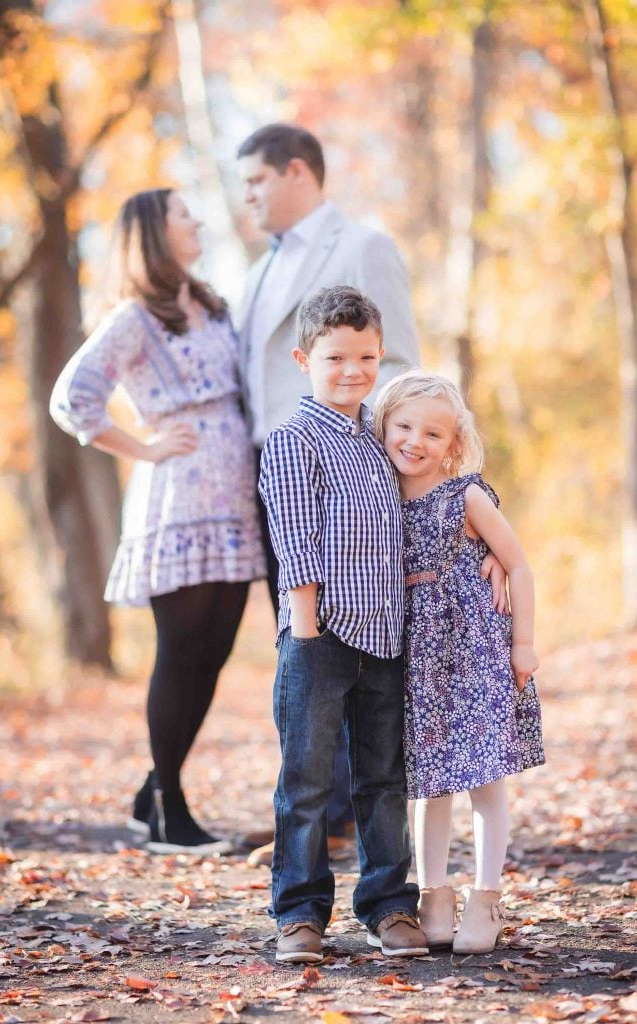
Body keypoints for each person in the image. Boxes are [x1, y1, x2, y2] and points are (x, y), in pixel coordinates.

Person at [50, 188, 266, 855]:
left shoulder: (211, 303)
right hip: (179, 501)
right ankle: (171, 810)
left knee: (215, 652)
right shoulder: (134, 318)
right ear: (152, 231)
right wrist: (142, 446)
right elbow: (72, 398)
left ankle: (152, 793)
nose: (197, 219)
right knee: (181, 652)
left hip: (233, 501)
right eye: (183, 214)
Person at [237, 122, 420, 851]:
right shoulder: (256, 272)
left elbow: (400, 357)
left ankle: (341, 815)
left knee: (356, 634)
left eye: (255, 179)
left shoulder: (362, 247)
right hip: (279, 472)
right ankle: (314, 802)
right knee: (301, 640)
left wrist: (393, 466)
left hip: (348, 470)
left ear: (295, 172)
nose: (246, 195)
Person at [259, 286, 428, 965]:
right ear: (304, 359)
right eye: (334, 358)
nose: (351, 370)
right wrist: (304, 638)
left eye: (363, 356)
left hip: (385, 637)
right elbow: (296, 542)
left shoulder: (378, 437)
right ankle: (299, 915)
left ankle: (388, 906)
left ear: (379, 355)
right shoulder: (294, 439)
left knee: (383, 780)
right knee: (306, 783)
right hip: (319, 638)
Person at [374, 370, 546, 955]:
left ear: (454, 443)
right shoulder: (378, 493)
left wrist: (524, 644)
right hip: (419, 655)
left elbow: (517, 564)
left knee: (483, 774)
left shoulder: (465, 494)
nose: (415, 441)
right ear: (384, 426)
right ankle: (435, 894)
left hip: (475, 648)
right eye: (404, 426)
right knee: (429, 784)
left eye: (433, 433)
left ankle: (487, 894)